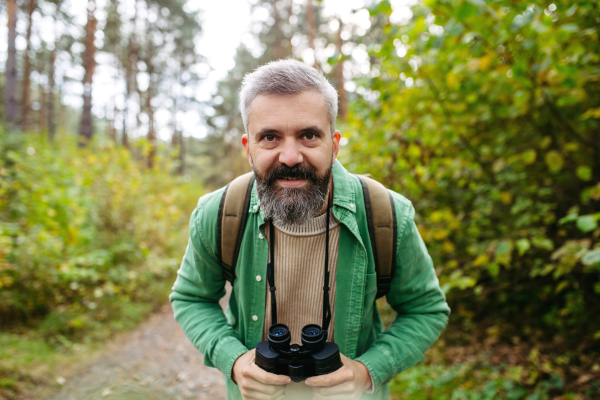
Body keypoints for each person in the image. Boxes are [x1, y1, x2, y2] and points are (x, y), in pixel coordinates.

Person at [170, 59, 450, 400]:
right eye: (270, 137)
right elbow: (191, 297)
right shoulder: (219, 213)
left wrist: (368, 371)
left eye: (308, 135)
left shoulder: (386, 214)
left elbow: (425, 309)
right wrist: (234, 359)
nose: (290, 156)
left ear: (334, 144)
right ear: (248, 148)